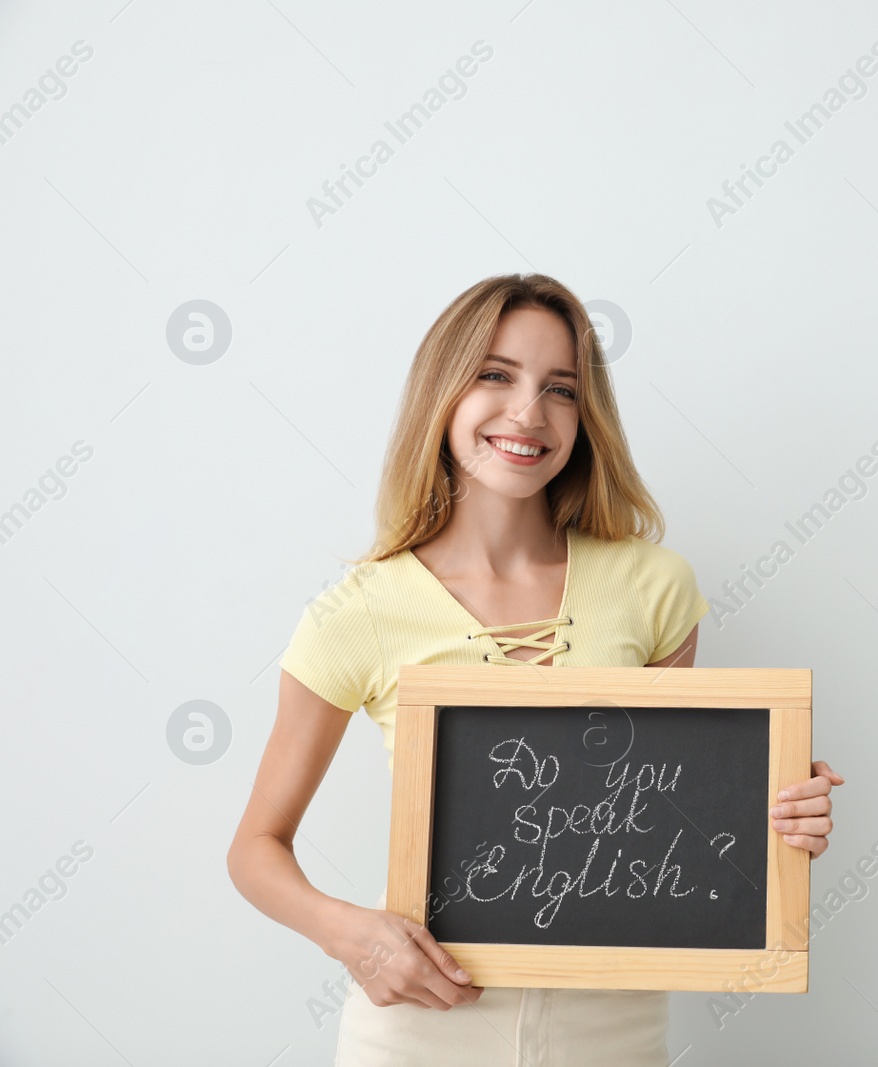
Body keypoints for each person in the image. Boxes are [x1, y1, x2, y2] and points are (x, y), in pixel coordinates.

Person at [226, 273, 844, 1065]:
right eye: (495, 374)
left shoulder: (653, 589)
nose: (527, 412)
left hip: (612, 1029)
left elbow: (669, 821)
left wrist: (778, 818)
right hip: (421, 1021)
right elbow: (255, 846)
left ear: (587, 419)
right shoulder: (358, 612)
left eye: (561, 388)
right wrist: (352, 934)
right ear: (442, 391)